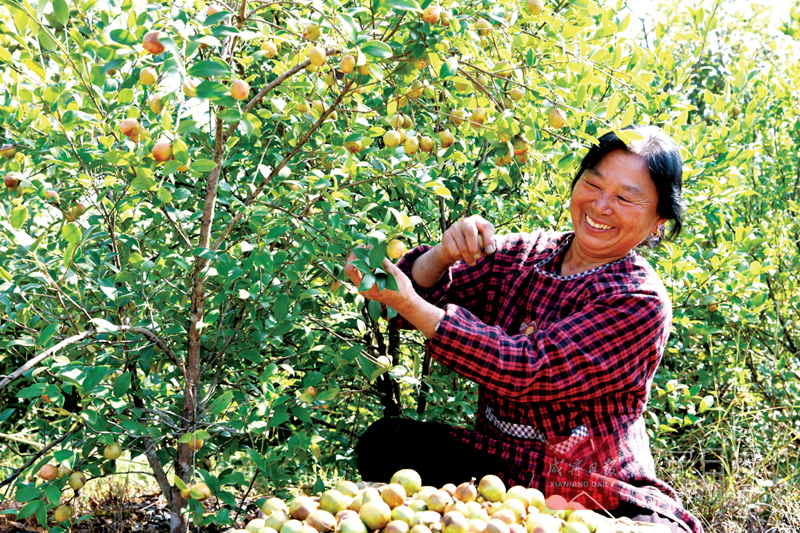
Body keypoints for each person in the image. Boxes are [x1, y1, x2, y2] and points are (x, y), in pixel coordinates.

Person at [344, 126, 703, 533]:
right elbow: (421, 294)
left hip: (591, 485)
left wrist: (409, 302)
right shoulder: (528, 255)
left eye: (624, 197)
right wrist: (441, 254)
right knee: (389, 441)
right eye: (593, 183)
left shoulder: (639, 300)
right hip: (501, 465)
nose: (601, 205)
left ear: (658, 219)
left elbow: (526, 368)